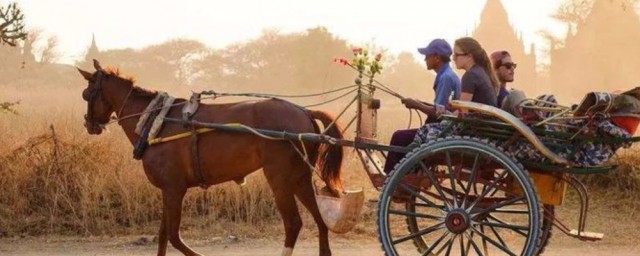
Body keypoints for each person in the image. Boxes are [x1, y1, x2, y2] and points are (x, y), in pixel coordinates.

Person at [382, 39, 461, 175]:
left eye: (427, 55)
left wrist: (416, 105)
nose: (425, 59)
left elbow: (439, 113)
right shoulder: (447, 75)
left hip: (442, 129)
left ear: (437, 58)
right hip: (446, 125)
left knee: (398, 137)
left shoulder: (445, 78)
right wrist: (418, 102)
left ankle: (393, 180)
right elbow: (443, 107)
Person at [452, 37, 499, 108]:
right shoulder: (480, 72)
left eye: (456, 55)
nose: (453, 58)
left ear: (469, 56)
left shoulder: (471, 76)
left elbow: (462, 111)